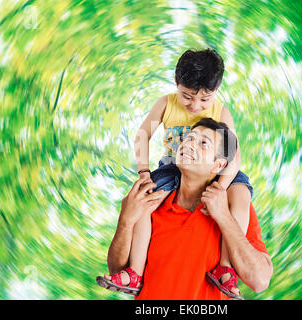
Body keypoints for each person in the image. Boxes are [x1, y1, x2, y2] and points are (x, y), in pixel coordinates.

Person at [98, 48, 255, 299]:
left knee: (242, 195)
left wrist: (222, 186)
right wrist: (144, 172)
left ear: (217, 90)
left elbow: (233, 154)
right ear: (176, 83)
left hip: (218, 168)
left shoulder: (221, 111)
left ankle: (226, 268)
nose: (195, 105)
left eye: (204, 100)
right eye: (188, 96)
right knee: (144, 203)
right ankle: (135, 272)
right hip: (173, 166)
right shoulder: (166, 103)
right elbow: (143, 134)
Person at [97, 118, 272, 299]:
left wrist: (223, 217)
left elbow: (259, 281)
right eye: (188, 138)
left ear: (219, 165)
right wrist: (125, 221)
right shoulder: (151, 202)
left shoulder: (233, 209)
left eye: (203, 143)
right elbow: (117, 270)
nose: (189, 144)